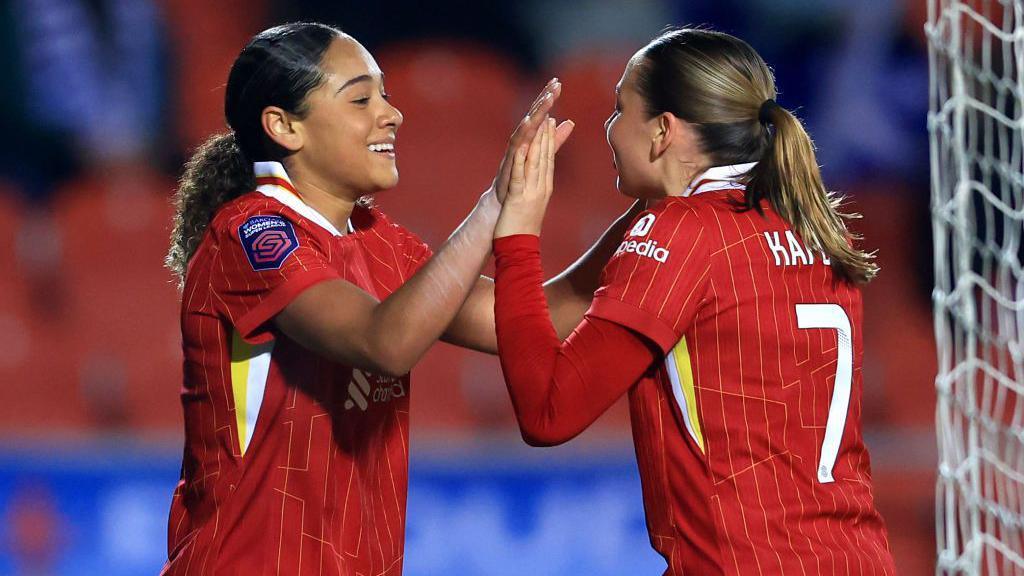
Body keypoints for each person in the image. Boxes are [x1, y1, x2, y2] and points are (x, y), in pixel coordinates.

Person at [161, 22, 641, 575]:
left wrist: (655, 212)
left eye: (384, 95)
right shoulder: (250, 234)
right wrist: (494, 206)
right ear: (284, 126)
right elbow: (384, 343)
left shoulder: (377, 239)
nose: (392, 114)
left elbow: (537, 318)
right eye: (361, 99)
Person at [491, 28, 896, 575]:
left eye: (619, 111)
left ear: (662, 130)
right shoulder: (812, 224)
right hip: (858, 558)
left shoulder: (682, 232)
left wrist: (515, 233)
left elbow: (548, 411)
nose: (609, 131)